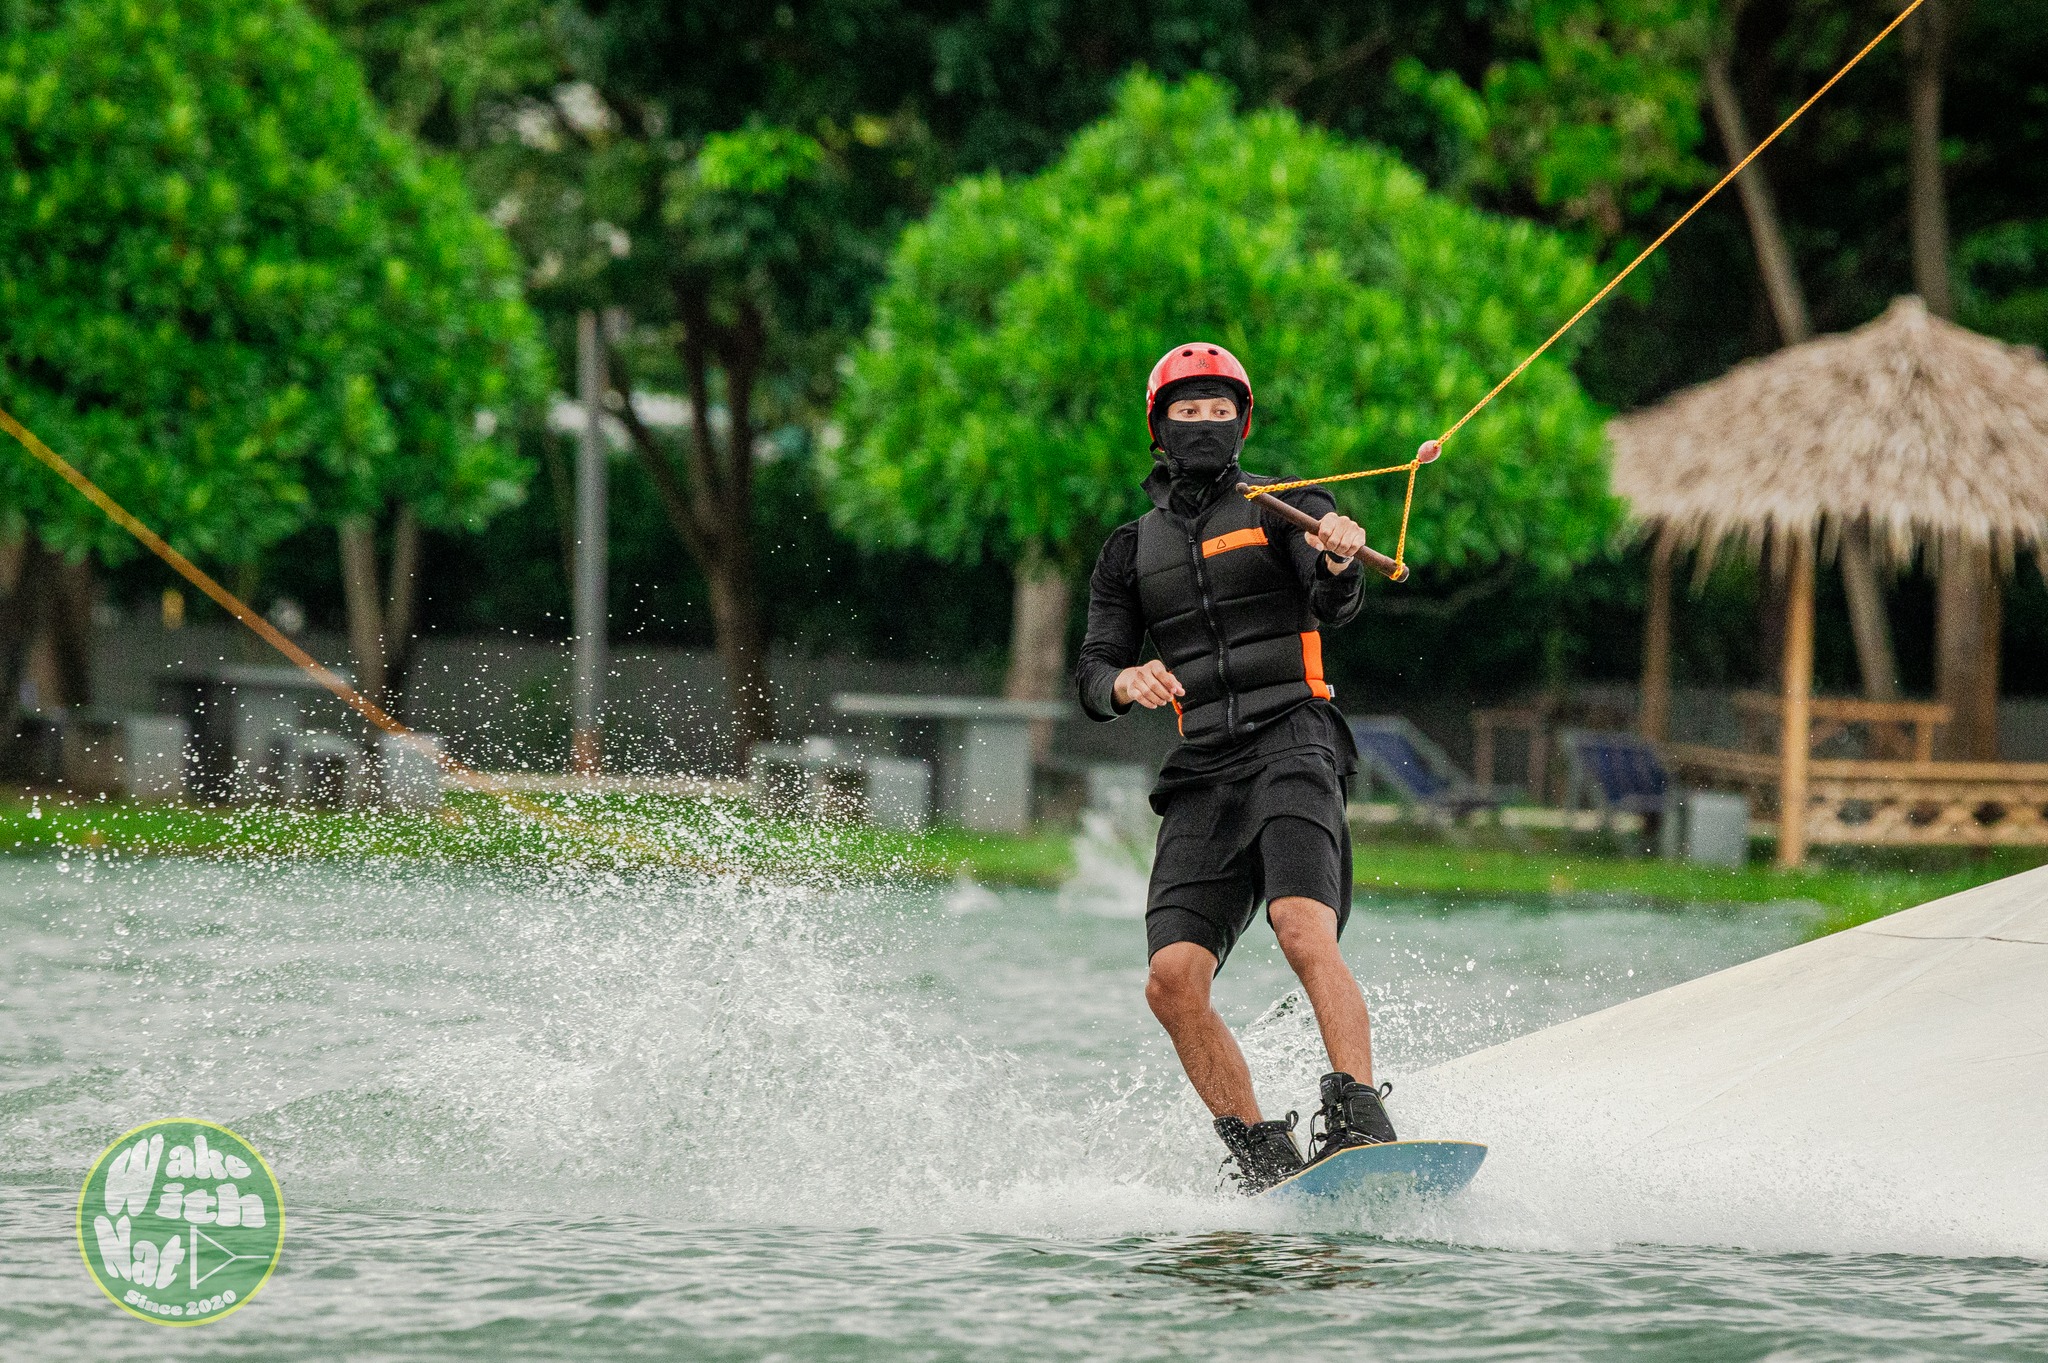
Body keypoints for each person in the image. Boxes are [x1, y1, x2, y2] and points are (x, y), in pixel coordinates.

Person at [1073, 342, 1395, 1195]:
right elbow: (1093, 671)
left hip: (1294, 739)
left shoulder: (1288, 508)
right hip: (1203, 770)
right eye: (1189, 411)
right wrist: (1124, 679)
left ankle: (1360, 1111)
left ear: (1244, 422)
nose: (1206, 424)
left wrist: (1334, 555)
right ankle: (1260, 1152)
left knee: (1300, 923)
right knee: (1171, 979)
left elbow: (1335, 598)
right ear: (1160, 428)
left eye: (1222, 410)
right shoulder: (1126, 552)